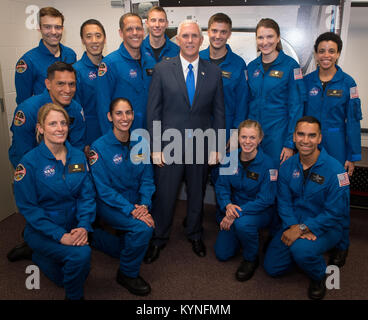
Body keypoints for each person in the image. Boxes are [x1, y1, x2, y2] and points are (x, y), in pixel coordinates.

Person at [144, 20, 225, 263]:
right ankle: (158, 237)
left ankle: (194, 233)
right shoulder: (162, 69)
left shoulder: (213, 72)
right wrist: (155, 146)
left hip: (201, 146)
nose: (190, 41)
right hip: (169, 145)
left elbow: (219, 112)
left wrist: (217, 145)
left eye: (194, 36)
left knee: (197, 194)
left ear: (202, 40)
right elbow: (153, 111)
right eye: (185, 36)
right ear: (177, 40)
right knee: (165, 195)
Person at [13, 103, 95, 300]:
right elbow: (29, 209)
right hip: (43, 230)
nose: (60, 128)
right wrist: (60, 236)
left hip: (74, 226)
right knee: (80, 257)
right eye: (52, 124)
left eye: (63, 123)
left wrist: (83, 226)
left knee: (77, 272)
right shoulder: (28, 163)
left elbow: (87, 195)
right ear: (40, 128)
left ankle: (40, 257)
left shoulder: (77, 156)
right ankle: (73, 296)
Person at [263, 116, 350, 300]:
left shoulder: (336, 171)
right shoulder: (287, 167)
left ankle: (320, 275)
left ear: (319, 138)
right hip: (293, 223)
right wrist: (294, 227)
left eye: (312, 136)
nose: (305, 140)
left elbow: (335, 213)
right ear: (294, 137)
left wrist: (303, 229)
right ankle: (303, 255)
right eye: (301, 134)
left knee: (301, 250)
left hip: (327, 227)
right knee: (272, 268)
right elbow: (284, 204)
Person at [304, 32, 362, 267]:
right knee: (310, 193)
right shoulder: (306, 82)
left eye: (331, 51)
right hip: (308, 147)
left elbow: (354, 121)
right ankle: (314, 237)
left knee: (340, 197)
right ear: (316, 53)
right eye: (321, 51)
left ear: (338, 53)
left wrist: (353, 156)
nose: (326, 55)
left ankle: (341, 245)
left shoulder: (348, 83)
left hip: (337, 148)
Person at [88, 98, 155, 296]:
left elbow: (148, 179)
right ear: (110, 117)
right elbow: (103, 190)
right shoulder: (98, 148)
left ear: (133, 115)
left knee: (129, 246)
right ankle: (127, 274)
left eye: (128, 113)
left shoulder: (140, 142)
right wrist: (133, 210)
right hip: (110, 203)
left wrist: (144, 204)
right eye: (119, 113)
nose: (124, 118)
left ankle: (95, 238)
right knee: (143, 228)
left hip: (135, 201)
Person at [215, 120, 277, 282]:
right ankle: (242, 236)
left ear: (260, 139)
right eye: (243, 137)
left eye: (252, 137)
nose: (247, 141)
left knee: (243, 224)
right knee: (222, 254)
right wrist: (227, 205)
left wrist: (235, 213)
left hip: (259, 211)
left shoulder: (269, 164)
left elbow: (266, 199)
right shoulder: (230, 158)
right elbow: (222, 187)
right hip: (233, 208)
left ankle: (251, 258)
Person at [247, 18, 305, 165]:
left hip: (278, 137)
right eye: (260, 37)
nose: (265, 42)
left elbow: (296, 107)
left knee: (276, 180)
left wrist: (290, 143)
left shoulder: (291, 66)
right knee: (255, 177)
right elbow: (248, 102)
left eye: (270, 36)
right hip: (253, 137)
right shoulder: (252, 67)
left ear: (278, 38)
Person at [9, 62, 86, 169]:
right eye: (60, 84)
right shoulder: (28, 110)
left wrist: (72, 172)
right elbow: (23, 152)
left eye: (71, 84)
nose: (68, 90)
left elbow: (78, 146)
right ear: (48, 84)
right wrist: (50, 175)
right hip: (32, 167)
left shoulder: (76, 109)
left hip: (65, 164)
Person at [97, 13, 155, 134]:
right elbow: (103, 107)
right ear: (121, 33)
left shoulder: (150, 61)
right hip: (123, 137)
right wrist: (110, 141)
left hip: (148, 134)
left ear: (143, 32)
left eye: (138, 28)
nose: (135, 33)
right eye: (129, 29)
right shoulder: (110, 64)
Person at [199, 13, 248, 146]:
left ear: (229, 34)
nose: (218, 36)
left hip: (227, 131)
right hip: (198, 130)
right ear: (208, 31)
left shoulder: (238, 64)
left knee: (226, 166)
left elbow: (242, 103)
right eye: (214, 31)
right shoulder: (197, 59)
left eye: (223, 32)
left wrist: (235, 134)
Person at [15, 7, 76, 105]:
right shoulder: (28, 61)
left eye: (57, 27)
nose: (53, 32)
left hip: (68, 115)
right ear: (39, 28)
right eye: (47, 27)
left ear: (62, 29)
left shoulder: (70, 54)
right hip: (44, 117)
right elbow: (24, 102)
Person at [73, 19, 106, 149]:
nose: (94, 41)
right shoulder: (76, 71)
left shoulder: (110, 66)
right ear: (82, 40)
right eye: (88, 36)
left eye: (98, 36)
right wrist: (83, 143)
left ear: (105, 38)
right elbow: (75, 112)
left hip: (111, 135)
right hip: (89, 139)